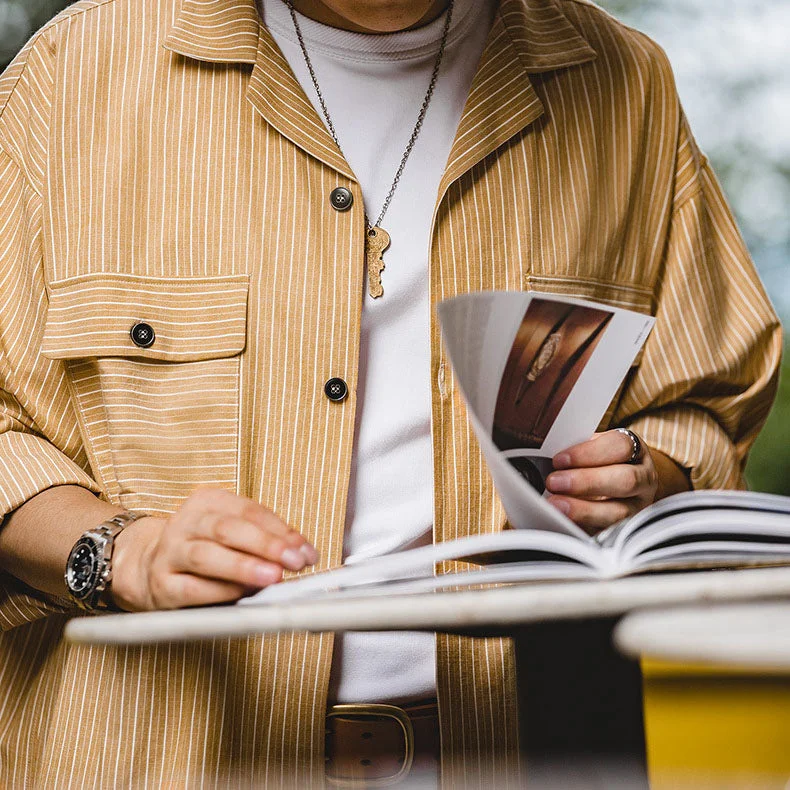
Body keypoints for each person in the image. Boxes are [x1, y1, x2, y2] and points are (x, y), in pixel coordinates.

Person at [0, 0, 781, 785]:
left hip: (523, 759)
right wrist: (123, 552)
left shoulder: (627, 84)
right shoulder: (71, 73)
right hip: (145, 762)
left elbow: (706, 407)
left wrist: (653, 478)